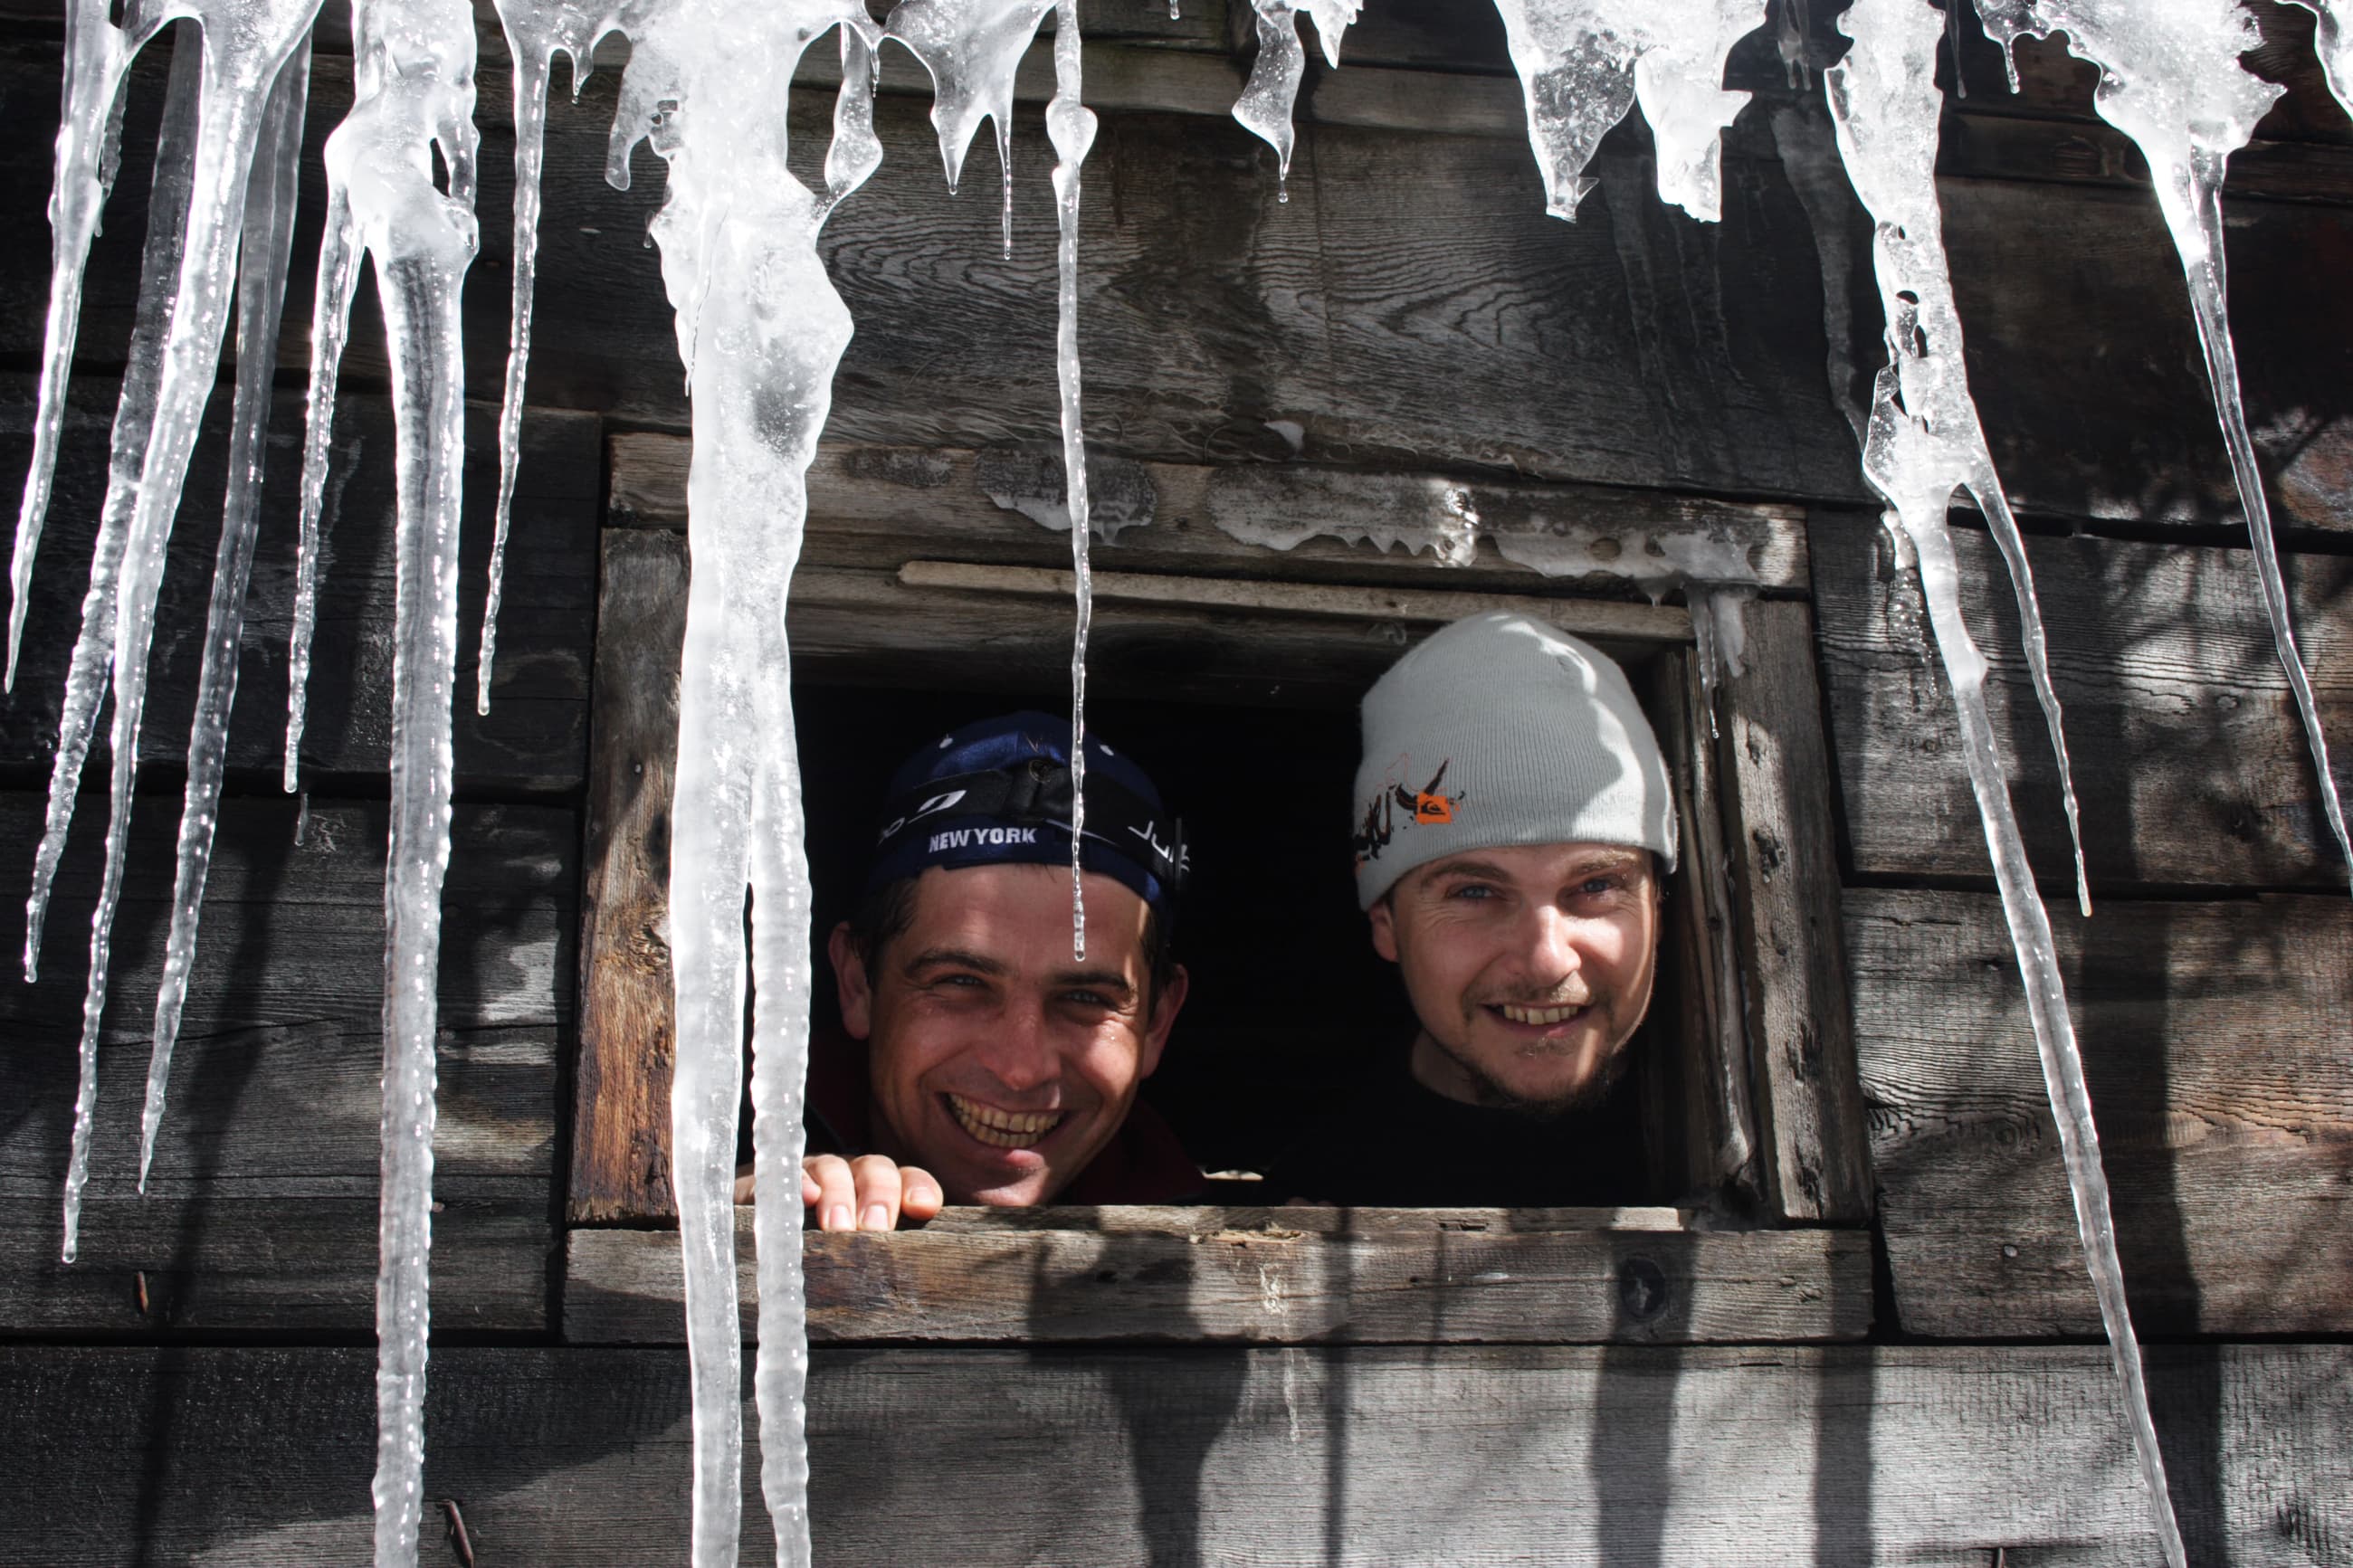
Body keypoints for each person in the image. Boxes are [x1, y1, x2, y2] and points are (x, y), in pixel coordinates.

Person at [1267, 611, 1677, 1207]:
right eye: (1475, 892)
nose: (1545, 960)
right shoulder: (1318, 1198)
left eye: (1596, 885)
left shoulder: (1739, 1152)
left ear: (1658, 908)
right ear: (1386, 921)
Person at [748, 711, 1199, 1230]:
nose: (1020, 1069)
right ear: (857, 983)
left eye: (1086, 999)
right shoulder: (698, 1139)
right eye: (961, 983)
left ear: (1158, 1021)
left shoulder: (1219, 1244)